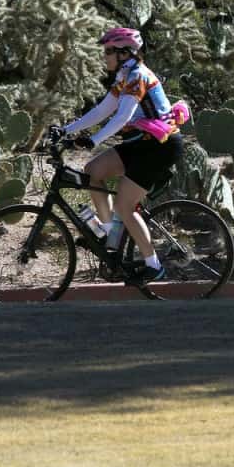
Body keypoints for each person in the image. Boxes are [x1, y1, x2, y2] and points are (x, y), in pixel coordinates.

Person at [62, 27, 186, 281]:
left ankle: (154, 266)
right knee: (93, 171)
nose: (104, 56)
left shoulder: (139, 76)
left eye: (108, 51)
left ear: (123, 52)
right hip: (140, 143)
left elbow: (122, 116)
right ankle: (110, 235)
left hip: (159, 147)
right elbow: (101, 111)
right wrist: (64, 131)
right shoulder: (124, 76)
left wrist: (93, 139)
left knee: (124, 206)